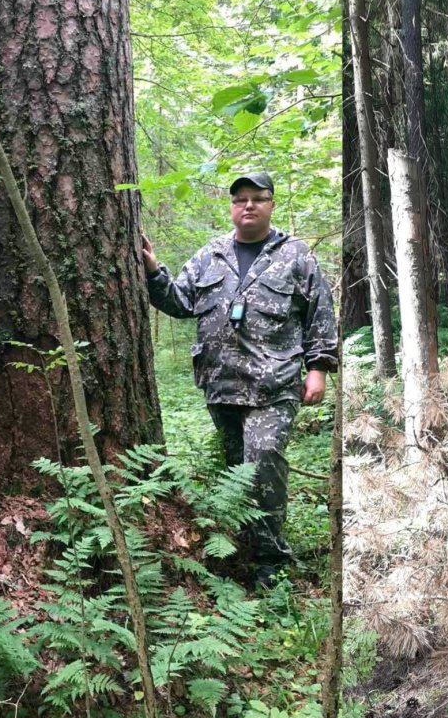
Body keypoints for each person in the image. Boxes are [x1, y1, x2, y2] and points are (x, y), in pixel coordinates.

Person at [141, 171, 338, 587]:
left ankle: (270, 560)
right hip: (222, 385)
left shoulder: (295, 255)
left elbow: (319, 312)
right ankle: (241, 547)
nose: (248, 205)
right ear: (231, 207)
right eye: (240, 199)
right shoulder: (211, 255)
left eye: (257, 198)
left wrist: (318, 369)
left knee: (263, 461)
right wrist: (154, 270)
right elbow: (179, 302)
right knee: (236, 471)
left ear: (271, 204)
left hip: (275, 385)